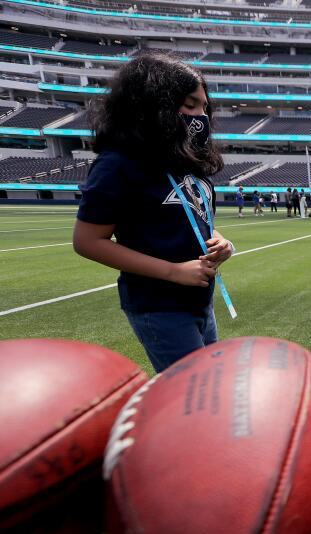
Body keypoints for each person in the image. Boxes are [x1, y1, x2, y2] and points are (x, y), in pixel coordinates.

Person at [72, 53, 233, 373]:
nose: (200, 116)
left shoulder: (186, 159)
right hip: (159, 306)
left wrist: (220, 242)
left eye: (204, 107)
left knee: (209, 390)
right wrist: (175, 272)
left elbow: (193, 220)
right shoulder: (119, 163)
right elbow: (87, 241)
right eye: (189, 106)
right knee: (195, 400)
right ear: (153, 106)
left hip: (200, 301)